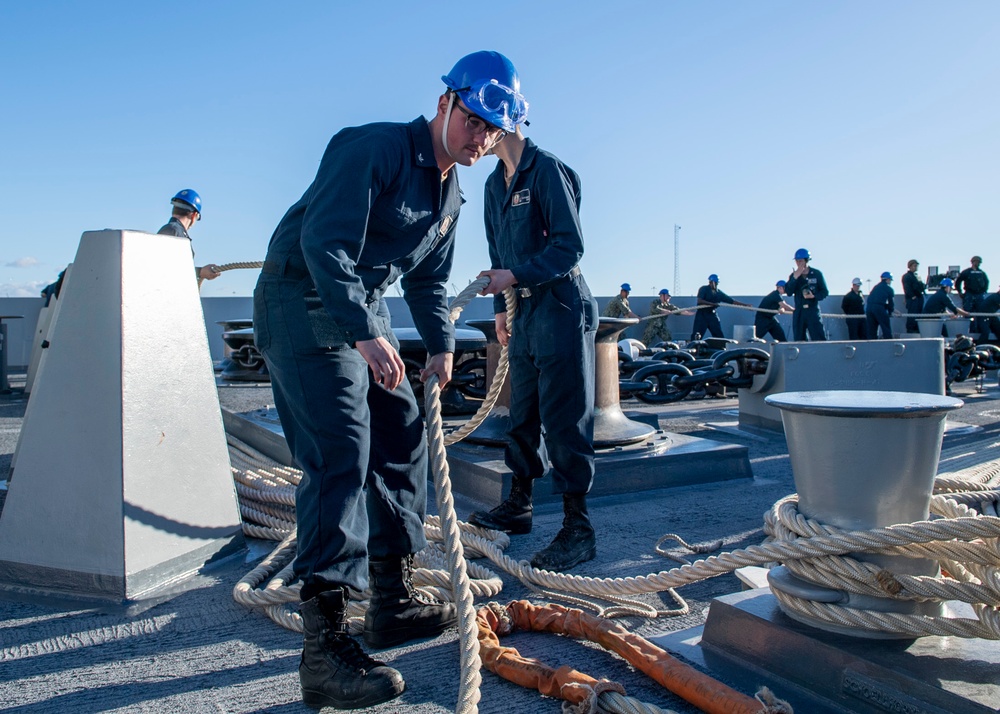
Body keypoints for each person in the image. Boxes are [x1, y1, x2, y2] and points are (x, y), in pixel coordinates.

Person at [253, 51, 528, 710]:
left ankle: (393, 596)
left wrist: (438, 347)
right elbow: (326, 244)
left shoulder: (450, 193)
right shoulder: (370, 148)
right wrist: (365, 331)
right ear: (444, 104)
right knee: (341, 450)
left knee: (401, 428)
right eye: (473, 120)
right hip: (301, 306)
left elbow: (429, 279)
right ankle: (324, 648)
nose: (481, 138)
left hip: (360, 315)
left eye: (493, 129)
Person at [467, 125, 600, 572]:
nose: (472, 134)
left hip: (561, 306)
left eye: (479, 123)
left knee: (565, 415)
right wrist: (505, 307)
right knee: (522, 412)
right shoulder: (492, 185)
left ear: (501, 124)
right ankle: (520, 504)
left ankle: (578, 528)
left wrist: (516, 278)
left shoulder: (547, 172)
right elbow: (498, 248)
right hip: (522, 311)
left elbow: (569, 247)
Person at [157, 189, 221, 283]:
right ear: (194, 215)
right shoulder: (173, 231)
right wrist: (200, 272)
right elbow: (165, 269)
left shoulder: (173, 231)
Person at [785, 248, 829, 341]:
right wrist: (795, 278)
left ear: (806, 260)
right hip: (799, 311)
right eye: (797, 261)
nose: (798, 263)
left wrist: (814, 296)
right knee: (799, 338)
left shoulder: (817, 274)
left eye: (800, 261)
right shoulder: (793, 275)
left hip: (812, 310)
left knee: (819, 337)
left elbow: (824, 292)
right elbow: (788, 292)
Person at [690, 274, 750, 340]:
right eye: (712, 282)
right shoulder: (704, 289)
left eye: (715, 283)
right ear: (710, 282)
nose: (714, 284)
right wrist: (712, 304)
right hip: (702, 315)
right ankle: (694, 347)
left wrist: (745, 305)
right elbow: (700, 301)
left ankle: (719, 347)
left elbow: (731, 301)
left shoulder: (718, 293)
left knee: (718, 335)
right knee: (697, 335)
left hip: (712, 315)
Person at [955, 256, 989, 335]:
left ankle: (979, 330)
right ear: (972, 262)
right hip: (969, 294)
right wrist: (960, 292)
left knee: (980, 313)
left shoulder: (982, 273)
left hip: (979, 295)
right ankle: (969, 330)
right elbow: (958, 281)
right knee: (967, 313)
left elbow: (986, 282)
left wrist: (983, 291)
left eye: (979, 262)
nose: (977, 263)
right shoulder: (967, 272)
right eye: (976, 262)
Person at [866, 271, 897, 339]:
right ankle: (888, 344)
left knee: (871, 330)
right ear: (888, 279)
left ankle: (871, 345)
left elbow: (873, 299)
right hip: (879, 308)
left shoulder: (876, 287)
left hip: (869, 308)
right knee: (885, 327)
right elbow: (891, 302)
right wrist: (890, 311)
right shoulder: (889, 289)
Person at [902, 259, 925, 333]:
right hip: (912, 299)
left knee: (918, 314)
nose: (916, 267)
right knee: (912, 314)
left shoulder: (917, 276)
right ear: (910, 266)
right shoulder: (907, 276)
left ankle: (917, 328)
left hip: (919, 298)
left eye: (916, 266)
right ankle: (911, 329)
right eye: (914, 266)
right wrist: (912, 296)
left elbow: (921, 286)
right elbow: (907, 287)